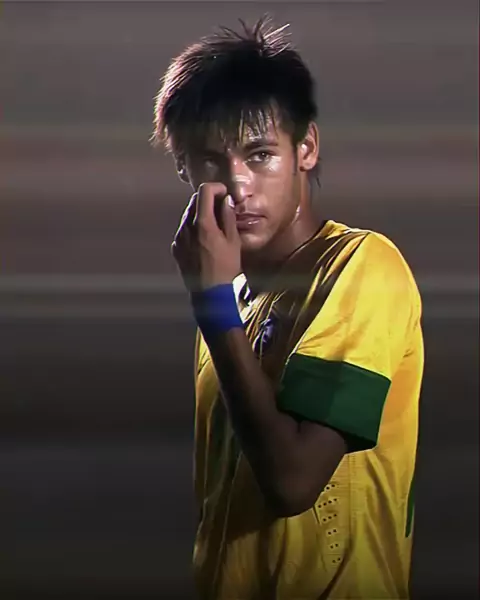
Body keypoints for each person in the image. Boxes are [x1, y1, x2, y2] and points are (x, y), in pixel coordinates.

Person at [152, 16, 423, 600]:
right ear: (183, 169)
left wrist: (212, 304)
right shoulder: (229, 304)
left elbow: (293, 483)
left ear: (306, 148)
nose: (238, 185)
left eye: (260, 155)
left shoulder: (362, 266)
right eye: (210, 160)